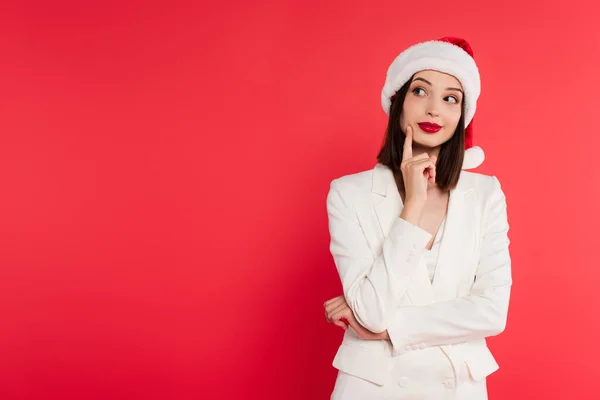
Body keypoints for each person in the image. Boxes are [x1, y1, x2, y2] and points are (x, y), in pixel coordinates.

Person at [322, 37, 512, 400]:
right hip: (373, 388)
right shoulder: (349, 193)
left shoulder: (485, 194)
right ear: (398, 102)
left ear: (462, 114)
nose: (433, 110)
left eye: (450, 98)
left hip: (457, 387)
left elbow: (491, 312)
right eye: (420, 91)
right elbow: (372, 313)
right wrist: (412, 206)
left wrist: (392, 330)